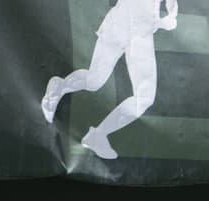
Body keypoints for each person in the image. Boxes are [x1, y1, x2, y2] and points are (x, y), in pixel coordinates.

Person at [40, 0, 178, 159]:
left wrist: (169, 18)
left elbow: (171, 8)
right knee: (94, 81)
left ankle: (97, 136)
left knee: (144, 99)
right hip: (119, 25)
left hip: (141, 35)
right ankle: (58, 88)